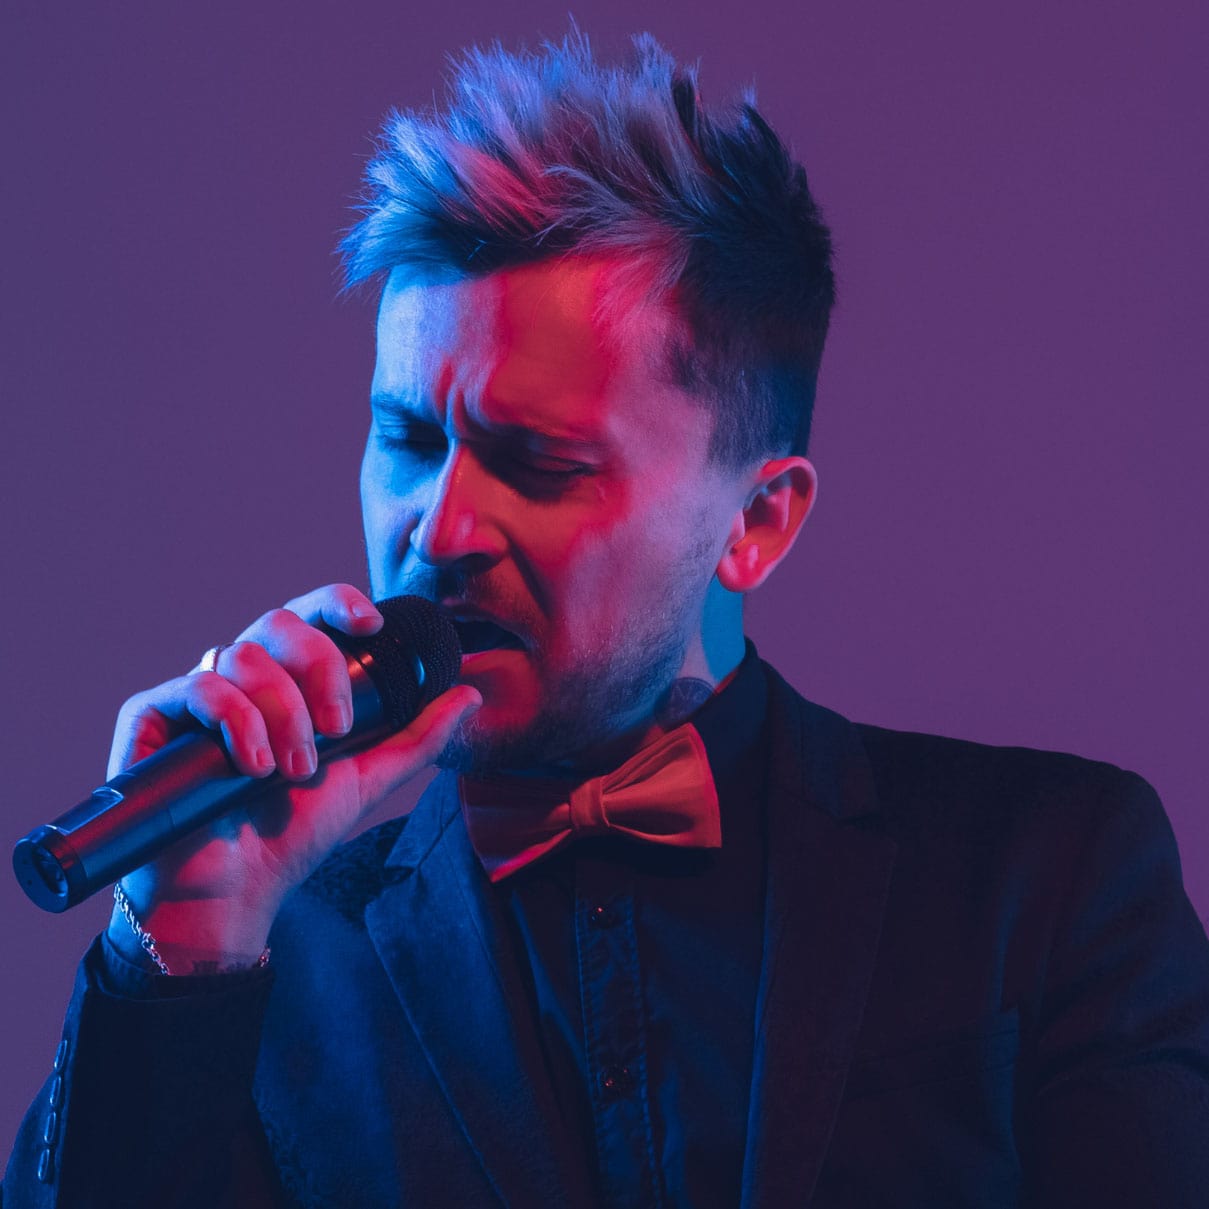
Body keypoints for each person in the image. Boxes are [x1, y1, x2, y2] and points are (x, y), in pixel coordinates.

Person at [6, 26, 1209, 1209]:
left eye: (538, 462)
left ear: (758, 522)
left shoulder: (1047, 878)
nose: (440, 529)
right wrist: (179, 944)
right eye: (409, 440)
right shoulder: (255, 970)